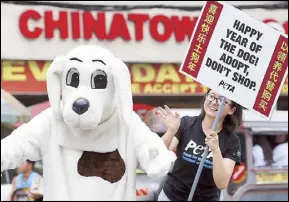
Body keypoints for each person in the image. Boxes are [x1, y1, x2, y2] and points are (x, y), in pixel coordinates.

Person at [156, 89, 243, 201]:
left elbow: (222, 183)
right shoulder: (186, 123)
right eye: (211, 96)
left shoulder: (232, 141)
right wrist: (171, 130)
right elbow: (160, 152)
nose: (214, 102)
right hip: (171, 196)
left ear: (231, 110)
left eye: (222, 100)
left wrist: (216, 150)